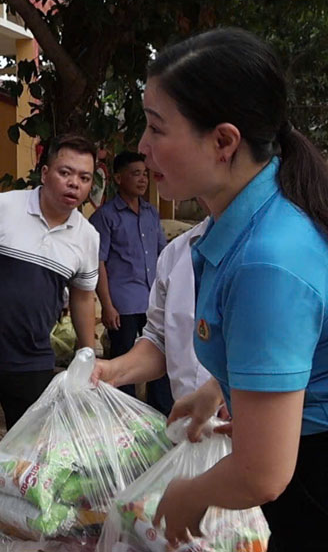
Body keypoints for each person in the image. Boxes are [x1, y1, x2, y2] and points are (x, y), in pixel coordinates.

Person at [139, 28, 328, 551]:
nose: (142, 148)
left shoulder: (268, 259)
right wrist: (219, 385)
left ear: (223, 141)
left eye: (157, 129)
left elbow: (263, 473)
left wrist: (188, 494)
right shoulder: (246, 226)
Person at [0, 134, 100, 429]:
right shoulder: (0, 207)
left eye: (84, 177)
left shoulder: (87, 237)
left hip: (33, 362)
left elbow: (82, 297)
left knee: (27, 458)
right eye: (65, 172)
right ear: (44, 173)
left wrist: (87, 356)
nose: (74, 184)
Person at [92, 212, 213, 401]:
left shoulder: (269, 245)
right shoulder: (177, 252)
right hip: (190, 424)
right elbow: (161, 341)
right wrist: (113, 371)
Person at [90, 151, 171, 410]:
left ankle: (160, 411)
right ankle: (124, 412)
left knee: (161, 359)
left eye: (145, 174)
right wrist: (107, 305)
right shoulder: (106, 216)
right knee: (124, 362)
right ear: (117, 178)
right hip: (123, 302)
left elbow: (163, 255)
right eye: (135, 174)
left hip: (152, 300)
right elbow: (98, 261)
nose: (142, 180)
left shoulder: (150, 213)